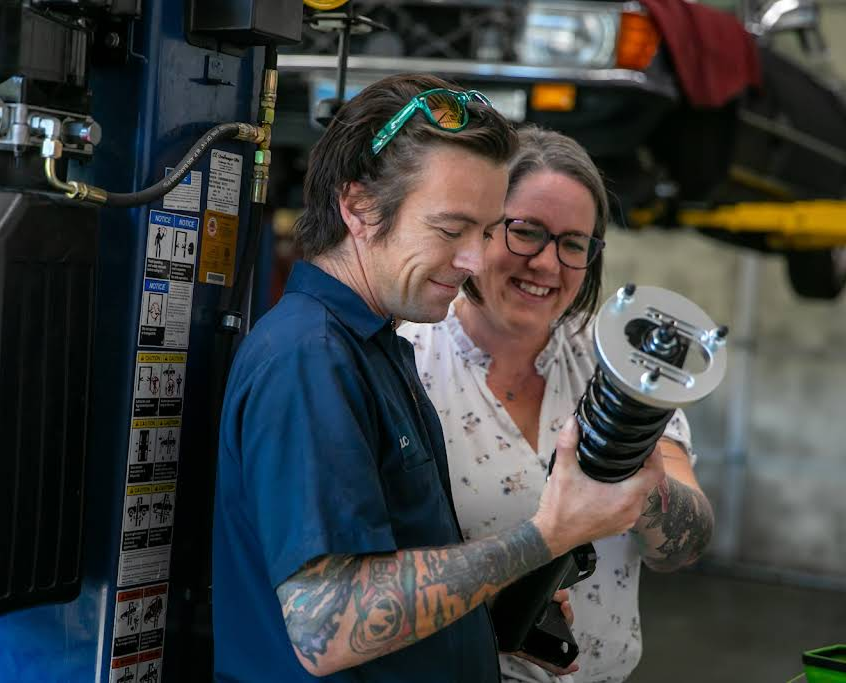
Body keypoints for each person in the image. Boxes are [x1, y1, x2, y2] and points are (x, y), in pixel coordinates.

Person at [211, 75, 665, 683]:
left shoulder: (376, 345)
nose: (475, 259)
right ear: (360, 207)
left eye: (484, 231)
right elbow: (329, 627)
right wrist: (545, 536)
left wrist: (489, 606)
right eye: (452, 230)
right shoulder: (309, 359)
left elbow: (392, 571)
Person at [398, 125, 715, 683]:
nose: (547, 264)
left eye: (573, 244)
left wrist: (641, 490)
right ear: (481, 230)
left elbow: (682, 550)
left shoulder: (618, 363)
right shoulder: (407, 360)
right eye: (526, 232)